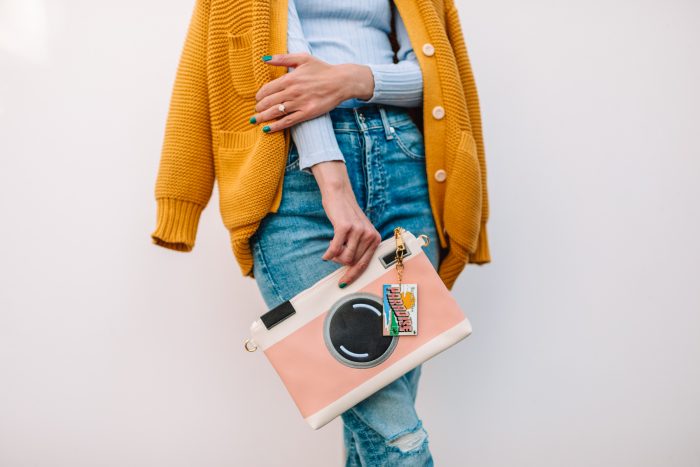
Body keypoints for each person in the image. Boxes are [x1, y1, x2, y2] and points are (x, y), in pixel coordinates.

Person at [249, 0, 436, 465]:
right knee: (397, 435)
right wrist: (335, 188)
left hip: (403, 175)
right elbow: (284, 70)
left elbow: (436, 77)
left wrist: (351, 79)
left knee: (381, 406)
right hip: (298, 188)